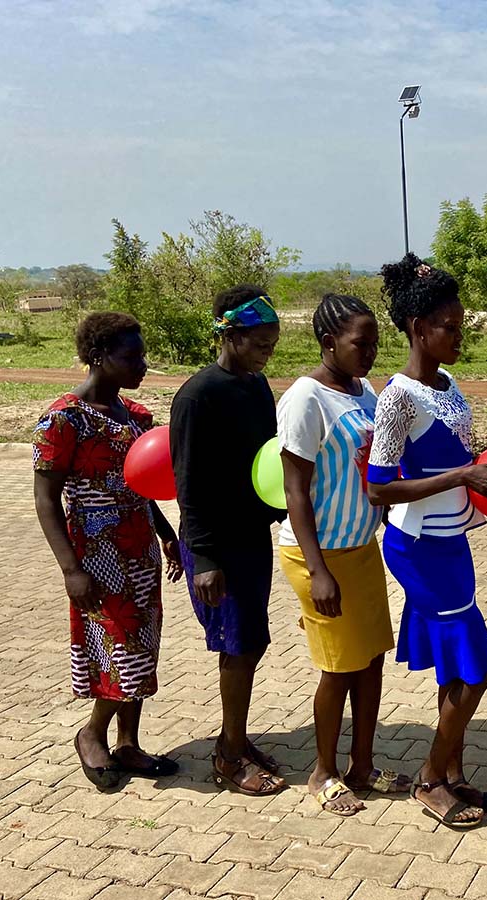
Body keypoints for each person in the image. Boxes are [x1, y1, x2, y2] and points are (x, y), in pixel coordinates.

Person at [366, 253, 487, 829]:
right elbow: (380, 489)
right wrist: (463, 476)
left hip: (453, 541)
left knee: (456, 666)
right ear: (416, 328)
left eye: (461, 326)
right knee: (476, 667)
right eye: (448, 327)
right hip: (418, 547)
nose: (458, 336)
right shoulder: (397, 397)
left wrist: (479, 474)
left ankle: (453, 773)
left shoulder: (449, 384)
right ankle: (429, 779)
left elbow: (458, 455)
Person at [33, 312, 183, 792]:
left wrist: (166, 533)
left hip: (139, 548)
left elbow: (142, 484)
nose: (142, 365)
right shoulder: (63, 419)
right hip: (96, 553)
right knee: (122, 647)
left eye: (142, 355)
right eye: (131, 356)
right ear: (98, 357)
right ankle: (92, 733)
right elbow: (45, 499)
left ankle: (128, 743)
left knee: (144, 644)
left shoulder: (135, 415)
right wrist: (69, 570)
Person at [278, 294, 411, 816]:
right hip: (318, 556)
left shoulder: (365, 392)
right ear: (329, 342)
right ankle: (323, 772)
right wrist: (318, 572)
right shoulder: (305, 399)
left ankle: (363, 765)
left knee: (371, 659)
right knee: (338, 666)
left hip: (360, 547)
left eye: (375, 342)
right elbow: (295, 492)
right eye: (362, 343)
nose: (371, 352)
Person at [170, 285, 287, 795]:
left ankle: (234, 738)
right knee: (237, 646)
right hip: (214, 545)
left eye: (272, 344)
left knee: (252, 641)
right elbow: (188, 484)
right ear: (231, 335)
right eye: (260, 343)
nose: (267, 353)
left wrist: (284, 513)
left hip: (250, 536)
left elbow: (267, 459)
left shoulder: (256, 387)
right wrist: (204, 558)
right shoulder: (198, 396)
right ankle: (229, 756)